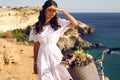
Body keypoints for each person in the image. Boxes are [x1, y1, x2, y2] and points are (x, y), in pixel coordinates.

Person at [29, 0, 79, 80]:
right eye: (50, 10)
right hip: (42, 56)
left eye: (54, 11)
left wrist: (63, 11)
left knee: (61, 76)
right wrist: (35, 63)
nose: (52, 13)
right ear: (44, 10)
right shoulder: (36, 28)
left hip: (55, 54)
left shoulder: (58, 24)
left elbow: (74, 23)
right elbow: (36, 45)